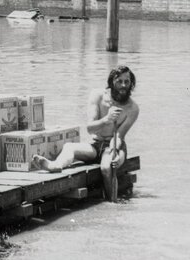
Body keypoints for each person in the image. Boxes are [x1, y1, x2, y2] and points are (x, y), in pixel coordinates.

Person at [33, 65, 139, 200]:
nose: (123, 85)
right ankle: (55, 165)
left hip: (116, 146)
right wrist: (107, 119)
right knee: (69, 147)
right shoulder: (97, 96)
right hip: (96, 144)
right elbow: (90, 128)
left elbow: (119, 136)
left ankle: (112, 203)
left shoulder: (132, 108)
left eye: (127, 82)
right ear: (112, 82)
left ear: (131, 84)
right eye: (119, 81)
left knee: (107, 168)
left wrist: (115, 154)